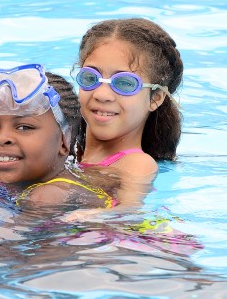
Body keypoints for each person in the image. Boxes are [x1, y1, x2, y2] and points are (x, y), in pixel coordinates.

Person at [0, 63, 114, 208]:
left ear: (64, 141)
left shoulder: (46, 197)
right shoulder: (66, 181)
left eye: (24, 127)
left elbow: (7, 233)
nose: (2, 138)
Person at [73, 18, 183, 180]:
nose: (101, 95)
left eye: (124, 83)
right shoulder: (65, 151)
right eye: (91, 78)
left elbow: (128, 206)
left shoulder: (137, 166)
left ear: (156, 98)